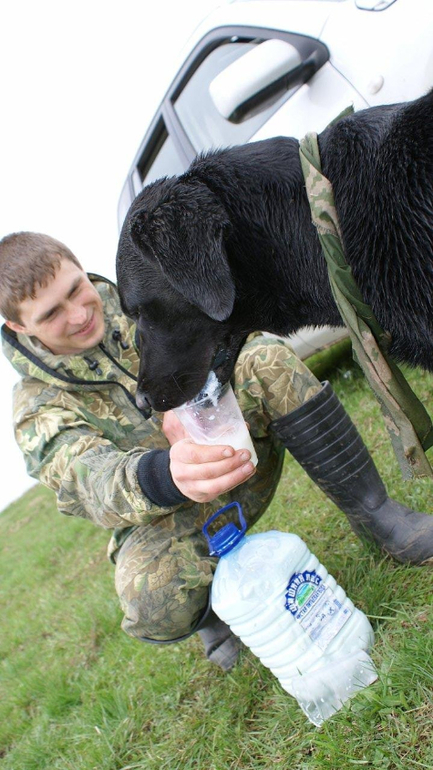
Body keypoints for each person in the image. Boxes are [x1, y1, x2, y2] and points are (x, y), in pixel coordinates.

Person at [1, 233, 432, 673]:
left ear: (80, 264)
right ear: (19, 326)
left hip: (240, 455)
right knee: (148, 598)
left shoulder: (147, 304)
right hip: (174, 512)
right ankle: (215, 617)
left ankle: (379, 516)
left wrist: (191, 403)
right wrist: (166, 475)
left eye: (76, 289)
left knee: (263, 357)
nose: (78, 315)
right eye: (52, 313)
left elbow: (230, 330)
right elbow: (85, 478)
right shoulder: (37, 407)